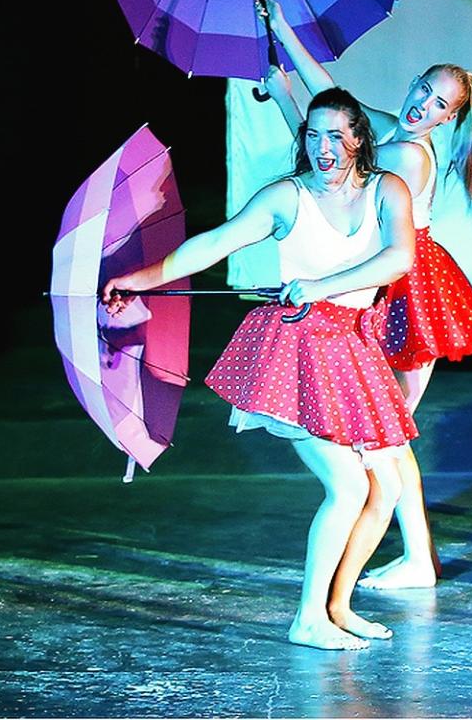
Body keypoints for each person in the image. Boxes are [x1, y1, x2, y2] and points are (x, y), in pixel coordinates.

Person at [104, 88, 417, 651]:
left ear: (359, 139)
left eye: (336, 135)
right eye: (313, 135)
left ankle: (338, 607)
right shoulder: (286, 197)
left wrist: (321, 285)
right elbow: (212, 244)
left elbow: (399, 257)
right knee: (348, 487)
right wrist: (139, 280)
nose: (323, 148)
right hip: (298, 351)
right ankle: (308, 619)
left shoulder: (386, 189)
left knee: (387, 487)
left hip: (352, 347)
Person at [262, 5, 472, 590]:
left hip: (407, 287)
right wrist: (283, 33)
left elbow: (333, 166)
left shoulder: (405, 154)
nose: (423, 105)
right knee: (390, 431)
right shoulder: (392, 130)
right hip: (393, 281)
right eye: (424, 91)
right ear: (412, 83)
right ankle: (418, 555)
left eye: (439, 104)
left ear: (449, 118)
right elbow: (334, 97)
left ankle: (415, 556)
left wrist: (289, 104)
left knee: (389, 430)